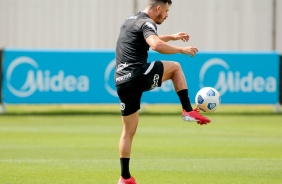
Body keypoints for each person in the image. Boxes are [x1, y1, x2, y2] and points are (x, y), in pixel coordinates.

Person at [114, 0, 211, 183]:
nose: (166, 15)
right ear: (158, 8)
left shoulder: (130, 20)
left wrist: (172, 37)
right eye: (166, 11)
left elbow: (150, 40)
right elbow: (155, 44)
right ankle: (188, 110)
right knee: (175, 68)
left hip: (121, 80)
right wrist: (181, 49)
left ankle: (125, 177)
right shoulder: (147, 23)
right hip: (137, 74)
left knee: (128, 131)